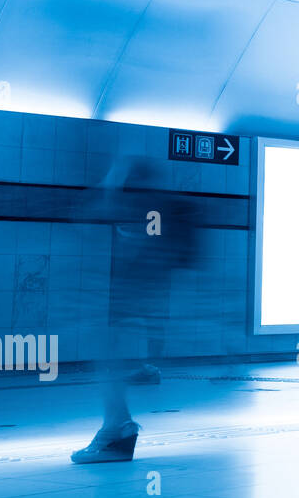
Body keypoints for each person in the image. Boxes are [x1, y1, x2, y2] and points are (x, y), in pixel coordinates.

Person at [72, 155, 206, 463]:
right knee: (105, 347)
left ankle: (116, 430)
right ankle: (116, 428)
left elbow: (147, 248)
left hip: (137, 292)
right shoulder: (159, 209)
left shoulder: (151, 210)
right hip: (141, 292)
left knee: (104, 348)